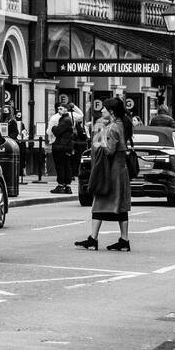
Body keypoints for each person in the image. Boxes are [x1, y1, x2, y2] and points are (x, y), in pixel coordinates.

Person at [76, 98, 132, 251]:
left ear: (112, 111)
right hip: (119, 170)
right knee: (119, 206)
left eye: (104, 109)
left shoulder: (113, 127)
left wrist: (97, 140)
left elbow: (109, 150)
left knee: (99, 202)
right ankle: (123, 240)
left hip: (110, 172)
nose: (102, 111)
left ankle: (94, 239)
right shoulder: (121, 124)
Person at [48, 96, 78, 194]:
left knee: (61, 165)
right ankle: (66, 185)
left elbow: (56, 131)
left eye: (61, 108)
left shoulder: (65, 119)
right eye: (58, 109)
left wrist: (53, 128)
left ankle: (61, 185)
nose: (59, 110)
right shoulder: (66, 119)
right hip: (66, 146)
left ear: (66, 109)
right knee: (66, 166)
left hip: (61, 146)